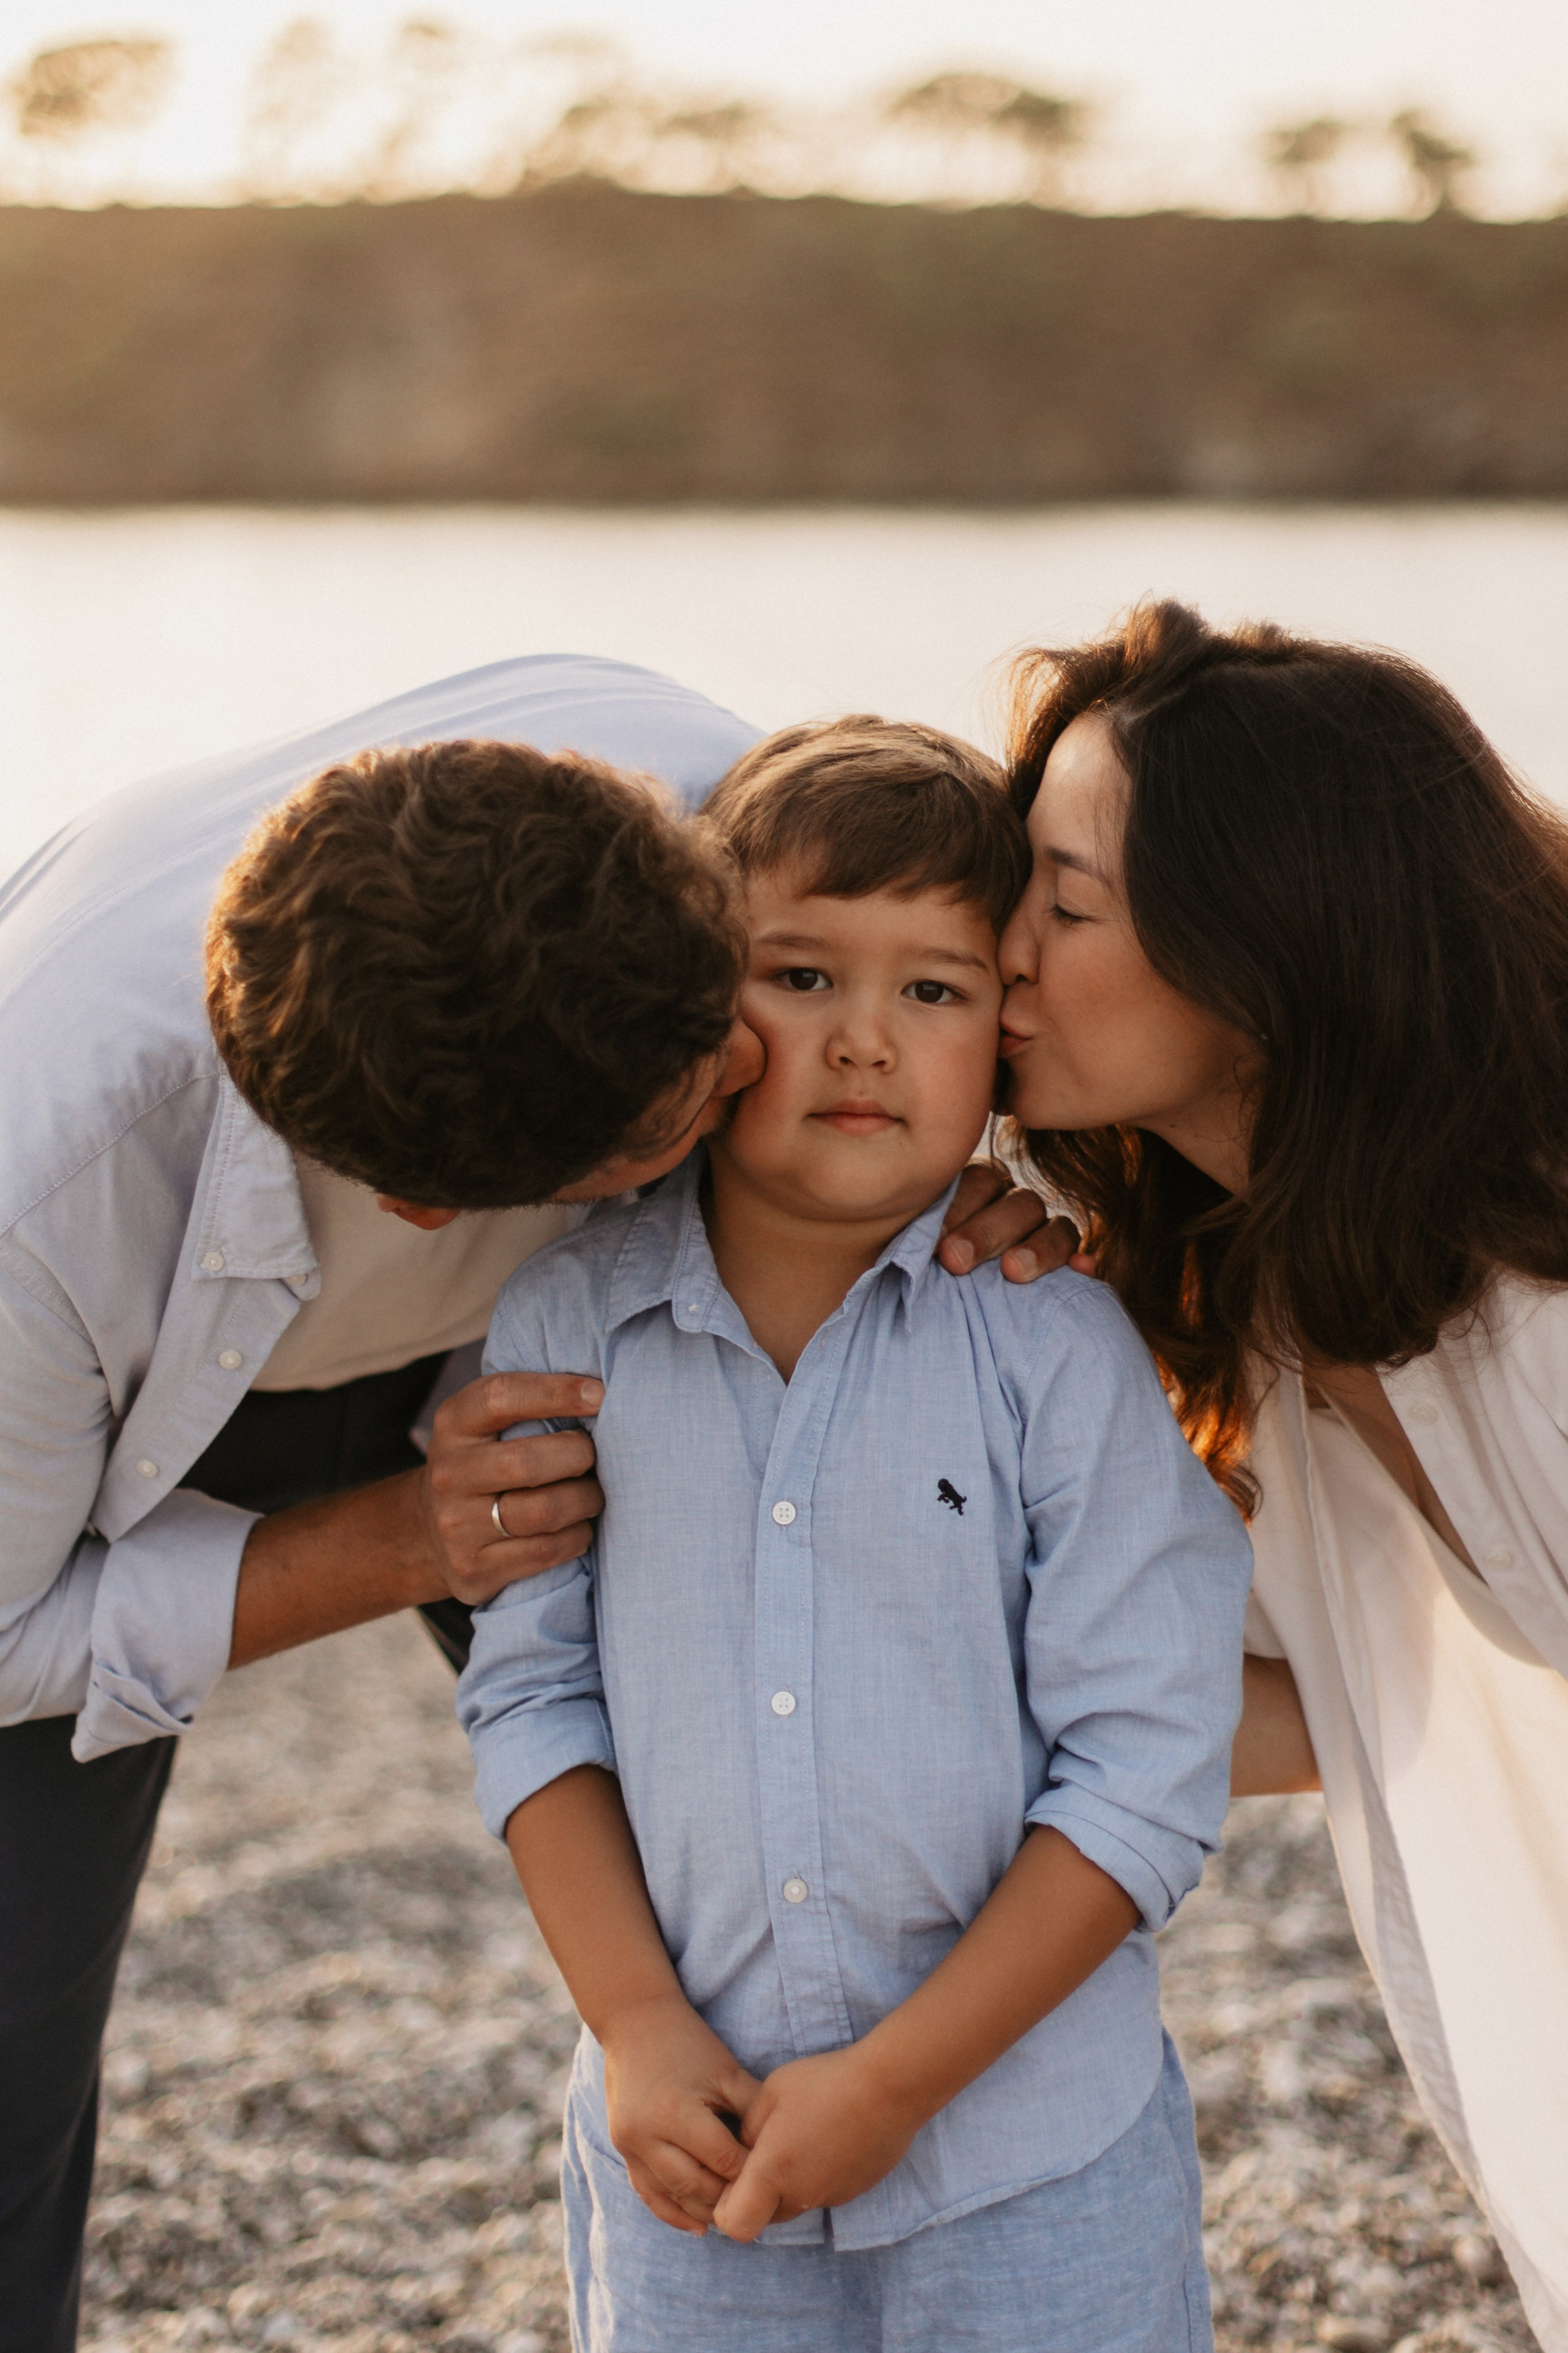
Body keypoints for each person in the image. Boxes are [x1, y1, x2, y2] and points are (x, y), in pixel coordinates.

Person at [0, 654, 1048, 2353]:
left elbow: (956, 980)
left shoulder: (701, 791)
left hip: (515, 1342)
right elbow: (7, 1628)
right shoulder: (37, 1195)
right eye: (700, 1098)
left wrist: (968, 1183)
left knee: (770, 1800)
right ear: (446, 1208)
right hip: (91, 1416)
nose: (752, 1069)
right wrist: (408, 1537)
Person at [458, 717, 1253, 2353]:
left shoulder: (1054, 1344)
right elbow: (532, 1698)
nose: (866, 1042)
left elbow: (1144, 1761)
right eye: (802, 975)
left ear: (1004, 1034)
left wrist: (900, 2081)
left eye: (934, 989)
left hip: (1035, 2165)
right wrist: (634, 2026)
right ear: (702, 997)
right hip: (699, 2155)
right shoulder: (571, 1319)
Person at [995, 599, 1568, 2349]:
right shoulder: (1265, 1312)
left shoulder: (1536, 1296)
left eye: (1062, 900)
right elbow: (1313, 1699)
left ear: (1266, 944)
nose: (998, 944)